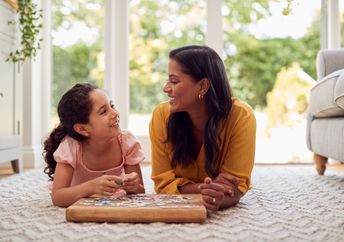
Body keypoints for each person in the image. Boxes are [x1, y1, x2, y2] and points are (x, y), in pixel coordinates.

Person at [149, 45, 256, 211]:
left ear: (202, 86)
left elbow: (236, 186)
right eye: (167, 80)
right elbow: (163, 184)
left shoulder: (241, 116)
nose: (166, 88)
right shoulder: (161, 116)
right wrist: (208, 189)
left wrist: (221, 196)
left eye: (174, 81)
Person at [43, 83, 145, 207]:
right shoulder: (70, 147)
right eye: (103, 111)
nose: (115, 113)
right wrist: (91, 187)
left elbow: (141, 191)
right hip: (75, 196)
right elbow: (58, 197)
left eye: (112, 105)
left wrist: (133, 186)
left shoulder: (127, 142)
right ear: (82, 129)